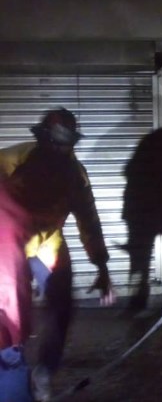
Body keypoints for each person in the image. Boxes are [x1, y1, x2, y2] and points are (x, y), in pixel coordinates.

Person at [0, 108, 115, 401]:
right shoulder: (12, 160)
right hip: (8, 245)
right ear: (44, 138)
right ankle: (12, 369)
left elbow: (89, 219)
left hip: (48, 245)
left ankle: (44, 372)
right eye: (56, 142)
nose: (61, 149)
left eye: (67, 144)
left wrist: (101, 266)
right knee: (10, 313)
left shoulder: (75, 174)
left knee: (62, 305)